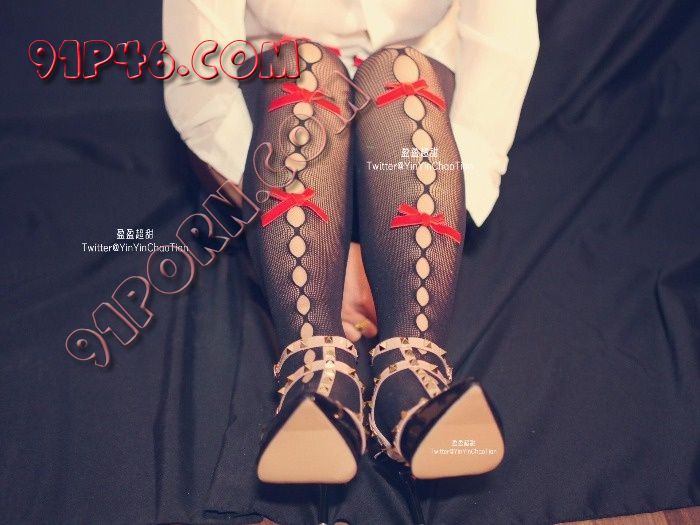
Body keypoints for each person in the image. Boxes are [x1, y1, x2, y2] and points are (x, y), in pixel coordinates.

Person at [164, 0, 539, 484]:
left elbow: (500, 53)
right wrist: (308, 243)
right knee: (304, 67)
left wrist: (444, 196)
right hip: (276, 136)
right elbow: (201, 80)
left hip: (411, 136)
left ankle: (411, 383)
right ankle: (315, 375)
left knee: (400, 70)